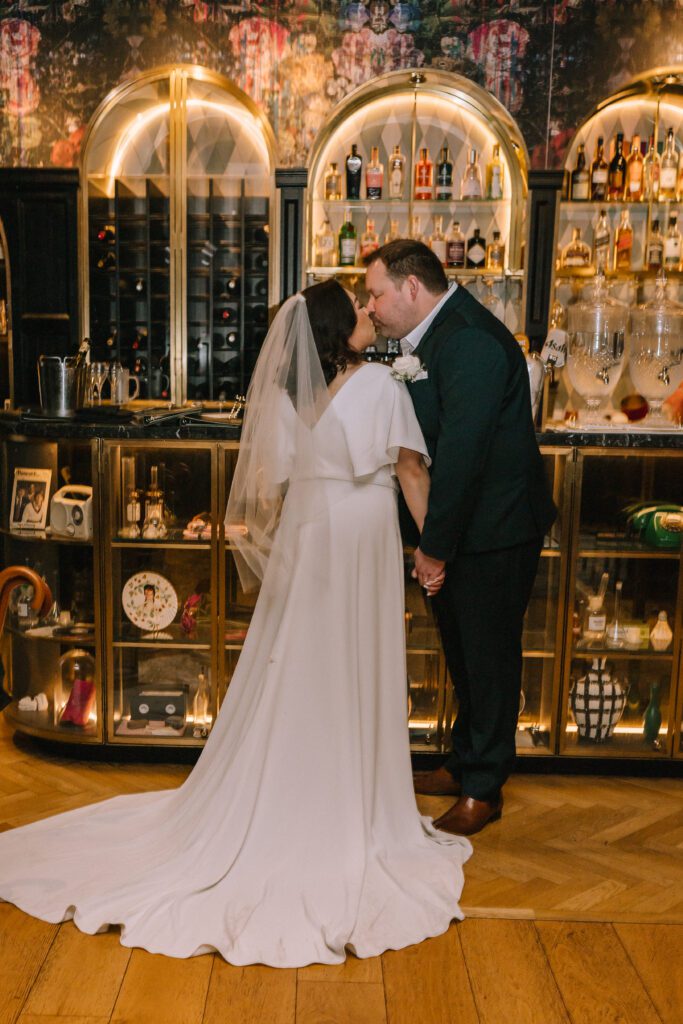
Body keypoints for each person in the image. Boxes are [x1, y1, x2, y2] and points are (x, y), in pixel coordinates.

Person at [0, 280, 470, 967]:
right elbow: (408, 472)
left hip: (314, 536)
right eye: (361, 308)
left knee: (305, 664)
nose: (372, 312)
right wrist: (435, 553)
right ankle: (354, 803)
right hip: (363, 537)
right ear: (341, 330)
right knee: (355, 663)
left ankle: (296, 787)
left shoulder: (286, 401)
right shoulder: (378, 387)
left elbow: (267, 491)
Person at [365, 241, 557, 836]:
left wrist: (434, 547)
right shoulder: (435, 335)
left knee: (490, 657)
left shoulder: (468, 338)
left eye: (376, 294)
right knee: (463, 654)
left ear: (411, 288)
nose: (370, 307)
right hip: (465, 528)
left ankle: (485, 787)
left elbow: (463, 456)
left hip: (495, 531)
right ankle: (463, 760)